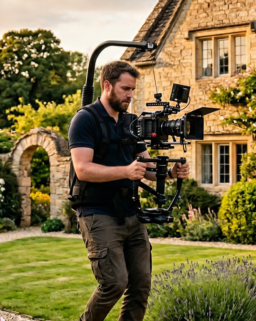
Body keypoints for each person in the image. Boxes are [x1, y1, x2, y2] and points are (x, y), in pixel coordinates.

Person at [67, 60, 190, 321]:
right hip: (97, 211)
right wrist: (125, 171)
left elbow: (145, 168)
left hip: (131, 211)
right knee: (114, 282)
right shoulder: (85, 119)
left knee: (141, 284)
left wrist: (170, 173)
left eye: (133, 89)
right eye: (125, 89)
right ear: (107, 85)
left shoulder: (132, 122)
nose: (130, 95)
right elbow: (83, 169)